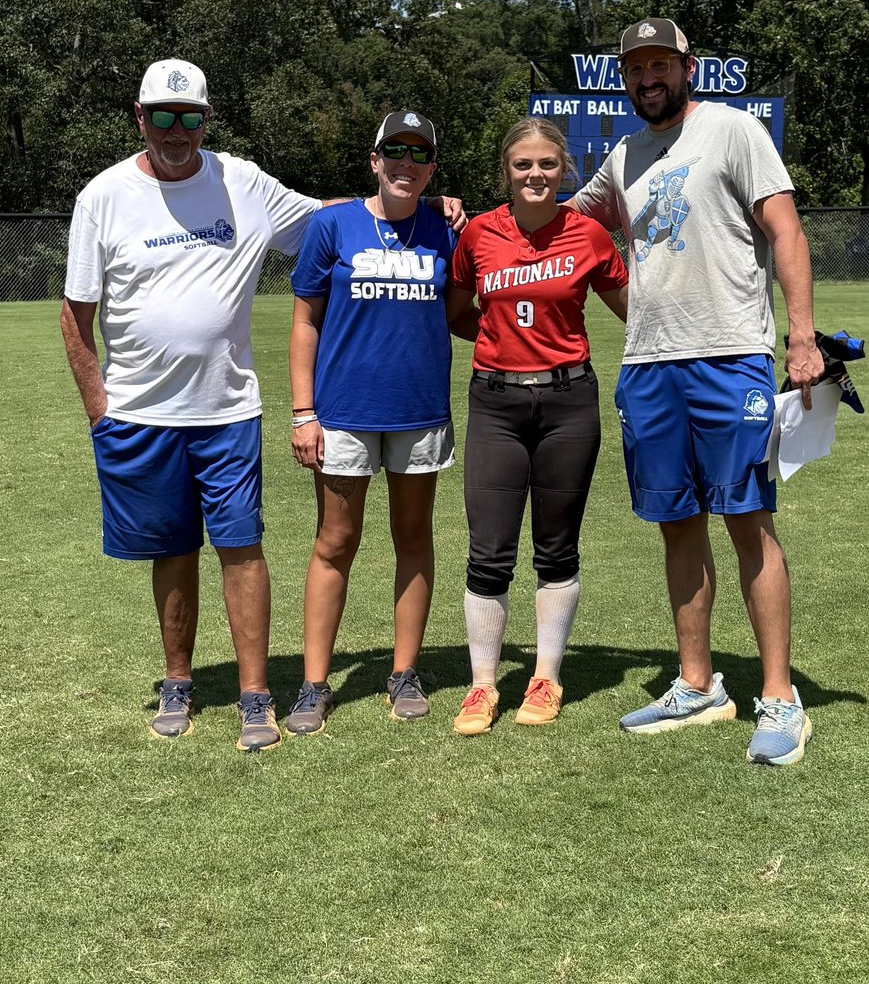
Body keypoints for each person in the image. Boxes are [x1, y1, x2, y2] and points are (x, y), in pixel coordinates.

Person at [60, 61, 466, 753]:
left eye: (190, 118)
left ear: (207, 120)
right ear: (140, 117)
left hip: (227, 408)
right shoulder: (104, 195)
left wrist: (431, 204)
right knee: (171, 549)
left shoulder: (240, 181)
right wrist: (101, 408)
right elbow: (76, 311)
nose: (177, 131)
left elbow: (339, 222)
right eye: (163, 116)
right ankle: (178, 681)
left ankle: (256, 696)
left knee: (241, 548)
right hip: (140, 413)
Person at [570, 18, 825, 766]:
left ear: (688, 67)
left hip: (730, 356)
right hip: (649, 364)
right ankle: (698, 685)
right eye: (635, 68)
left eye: (660, 64)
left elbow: (786, 231)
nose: (648, 78)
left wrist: (803, 334)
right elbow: (560, 220)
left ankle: (779, 696)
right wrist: (471, 216)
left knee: (749, 519)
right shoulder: (621, 155)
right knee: (677, 524)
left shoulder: (735, 130)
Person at [446, 118, 629, 736]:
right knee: (488, 548)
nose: (535, 175)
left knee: (556, 547)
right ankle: (481, 686)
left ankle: (546, 676)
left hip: (568, 402)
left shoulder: (589, 234)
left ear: (565, 170)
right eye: (523, 164)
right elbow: (457, 311)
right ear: (506, 171)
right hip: (496, 402)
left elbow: (637, 311)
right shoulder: (478, 234)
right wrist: (504, 341)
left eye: (548, 164)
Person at [286, 112, 456, 735]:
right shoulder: (332, 224)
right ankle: (313, 683)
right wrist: (304, 412)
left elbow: (463, 309)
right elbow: (305, 322)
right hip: (344, 415)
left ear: (431, 166)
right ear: (374, 159)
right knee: (335, 542)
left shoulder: (444, 229)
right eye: (395, 151)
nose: (406, 163)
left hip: (418, 410)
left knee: (413, 538)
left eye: (419, 154)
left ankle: (404, 673)